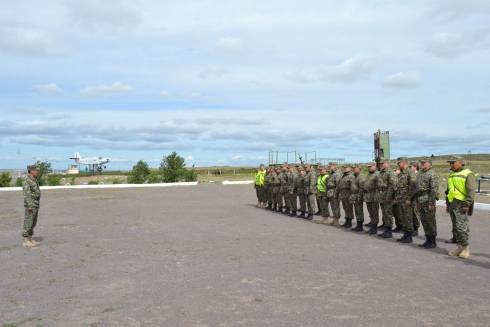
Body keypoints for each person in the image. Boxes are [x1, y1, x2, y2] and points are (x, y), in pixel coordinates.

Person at [446, 156, 475, 259]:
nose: (451, 165)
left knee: (461, 227)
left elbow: (471, 191)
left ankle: (466, 248)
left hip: (461, 204)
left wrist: (467, 204)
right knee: (455, 228)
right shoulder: (452, 174)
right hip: (452, 204)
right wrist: (447, 204)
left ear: (460, 162)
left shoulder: (468, 173)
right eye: (450, 163)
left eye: (453, 163)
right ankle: (459, 247)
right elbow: (449, 190)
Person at [413, 157, 439, 248]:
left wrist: (431, 203)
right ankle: (428, 239)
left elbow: (434, 190)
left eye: (424, 163)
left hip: (428, 199)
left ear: (430, 164)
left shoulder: (432, 174)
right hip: (420, 199)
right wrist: (416, 201)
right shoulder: (420, 173)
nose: (422, 164)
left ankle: (432, 241)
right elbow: (416, 188)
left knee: (430, 221)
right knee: (424, 221)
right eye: (421, 163)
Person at [394, 158, 417, 243]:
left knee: (408, 218)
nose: (398, 165)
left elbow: (413, 186)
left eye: (399, 163)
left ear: (404, 163)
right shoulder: (401, 173)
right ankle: (405, 234)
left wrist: (409, 198)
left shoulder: (410, 172)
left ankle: (409, 237)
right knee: (403, 218)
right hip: (401, 199)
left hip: (407, 200)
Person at [22, 165, 41, 248]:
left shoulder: (34, 179)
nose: (37, 172)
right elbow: (27, 194)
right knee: (28, 222)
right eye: (36, 170)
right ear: (31, 171)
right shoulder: (27, 180)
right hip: (31, 205)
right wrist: (29, 206)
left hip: (35, 204)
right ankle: (25, 241)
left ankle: (30, 239)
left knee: (33, 222)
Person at [377, 161, 397, 239]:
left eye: (383, 163)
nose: (381, 165)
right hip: (382, 196)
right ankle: (386, 230)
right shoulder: (381, 172)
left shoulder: (390, 172)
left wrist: (389, 196)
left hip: (387, 196)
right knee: (385, 213)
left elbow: (393, 185)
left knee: (388, 213)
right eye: (380, 163)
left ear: (387, 164)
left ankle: (389, 231)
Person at [364, 162, 380, 234]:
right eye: (368, 167)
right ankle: (372, 226)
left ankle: (374, 228)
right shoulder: (368, 175)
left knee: (374, 212)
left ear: (375, 166)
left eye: (370, 166)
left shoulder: (377, 174)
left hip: (374, 196)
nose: (369, 168)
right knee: (370, 212)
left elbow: (379, 185)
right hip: (368, 196)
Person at [350, 165, 365, 232]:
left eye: (355, 168)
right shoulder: (354, 176)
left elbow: (361, 188)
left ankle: (360, 226)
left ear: (359, 169)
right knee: (357, 211)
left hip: (358, 196)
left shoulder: (361, 176)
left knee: (359, 211)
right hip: (354, 196)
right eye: (353, 169)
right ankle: (358, 225)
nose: (354, 170)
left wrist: (359, 197)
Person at [410, 161, 421, 235]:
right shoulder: (411, 174)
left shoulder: (418, 175)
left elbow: (417, 188)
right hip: (410, 197)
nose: (410, 168)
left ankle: (416, 229)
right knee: (411, 213)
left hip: (416, 198)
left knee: (415, 213)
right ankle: (412, 228)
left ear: (415, 167)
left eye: (411, 166)